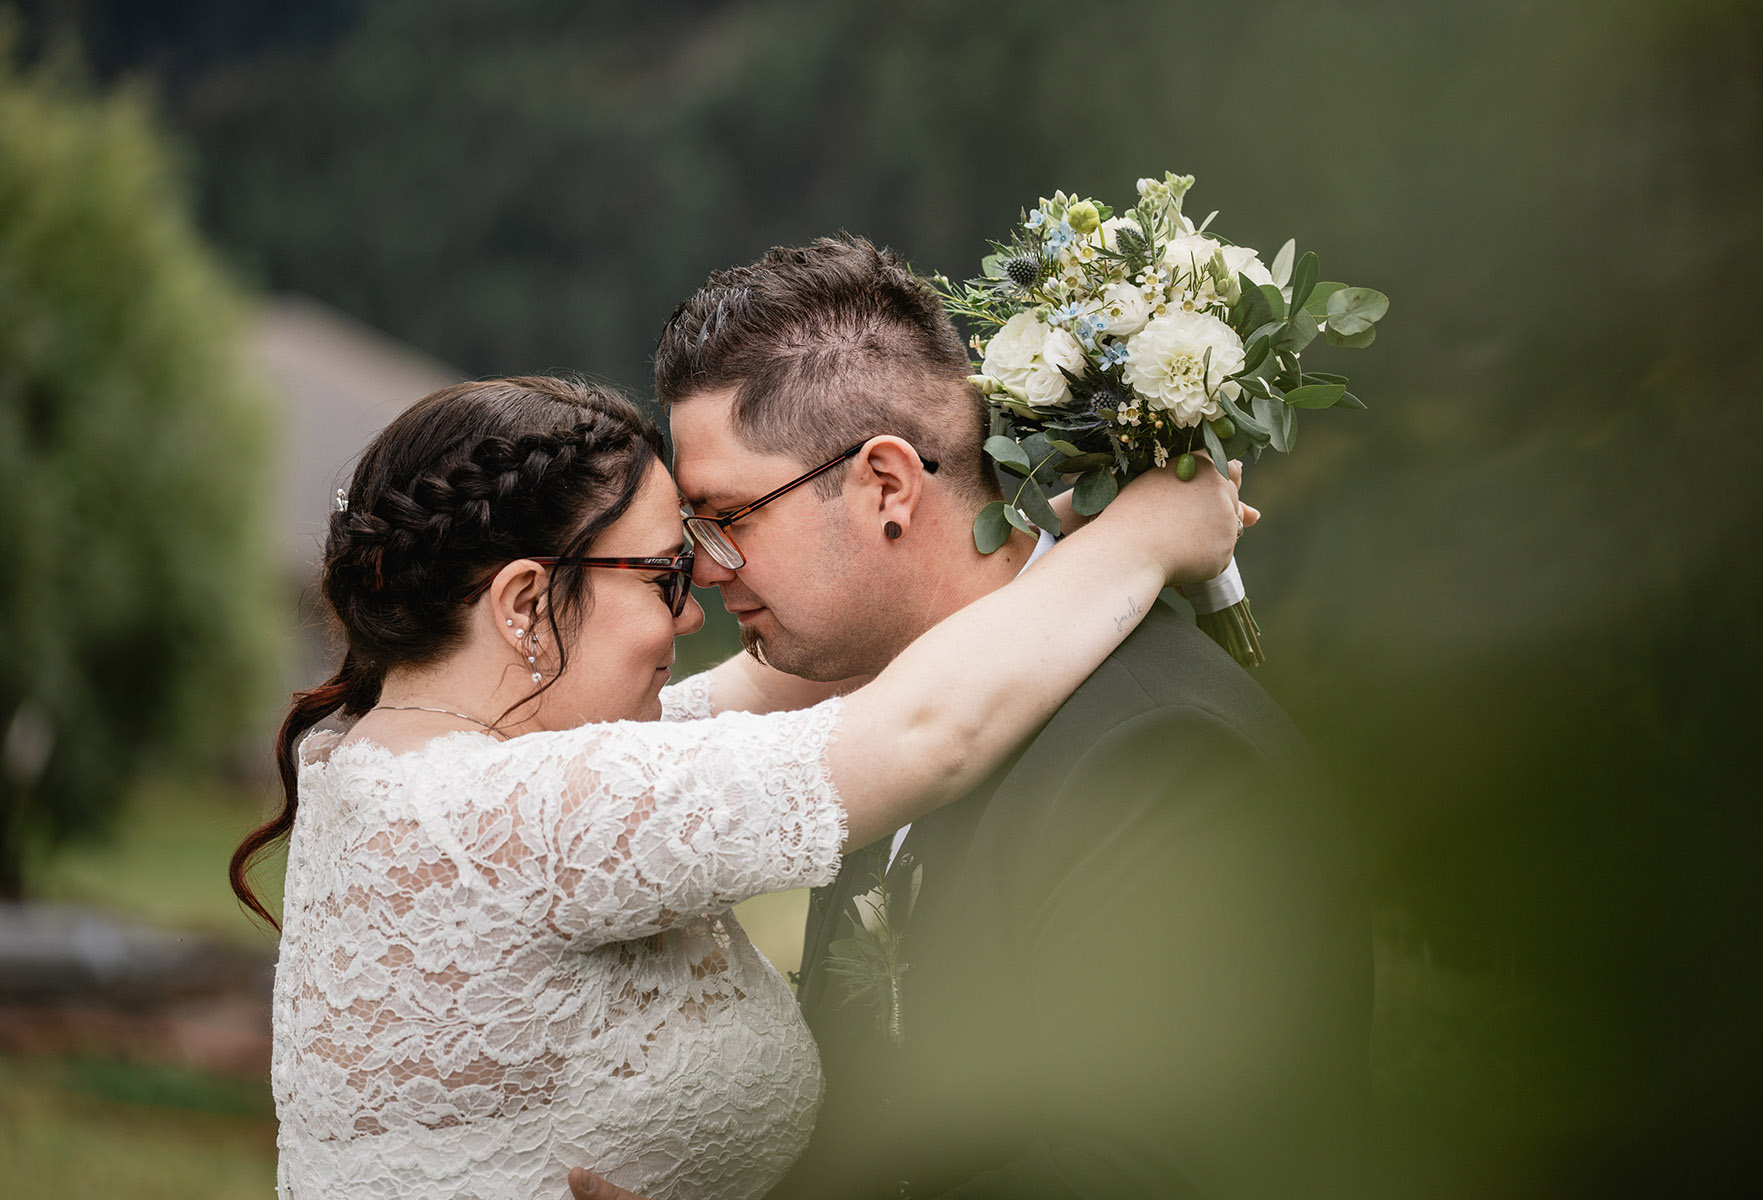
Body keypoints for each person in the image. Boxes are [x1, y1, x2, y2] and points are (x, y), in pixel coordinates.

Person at [229, 374, 1247, 1200]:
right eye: (666, 578)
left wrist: (1011, 546)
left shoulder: (396, 764)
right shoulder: (523, 813)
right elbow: (924, 732)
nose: (694, 614)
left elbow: (769, 678)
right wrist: (1145, 538)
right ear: (527, 602)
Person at [569, 238, 1372, 1200]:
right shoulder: (880, 714)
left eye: (729, 515)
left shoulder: (1159, 749)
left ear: (886, 487)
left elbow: (1149, 1168)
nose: (702, 567)